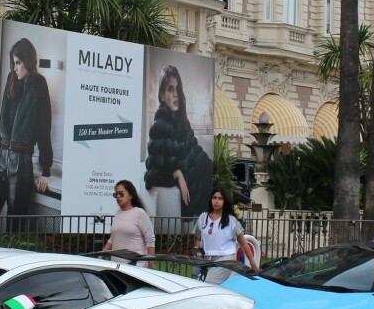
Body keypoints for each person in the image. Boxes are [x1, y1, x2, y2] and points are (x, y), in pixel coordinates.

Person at [0, 37, 53, 225]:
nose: (15, 67)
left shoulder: (39, 83)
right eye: (13, 63)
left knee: (14, 224)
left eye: (18, 62)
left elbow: (44, 127)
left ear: (28, 60)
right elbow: (3, 117)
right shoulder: (12, 80)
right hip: (2, 162)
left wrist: (46, 169)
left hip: (21, 164)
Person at [144, 65, 212, 220]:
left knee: (207, 166)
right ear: (162, 95)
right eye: (170, 89)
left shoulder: (183, 123)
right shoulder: (159, 126)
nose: (175, 95)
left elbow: (195, 149)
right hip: (183, 191)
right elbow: (152, 171)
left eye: (177, 89)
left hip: (194, 186)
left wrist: (209, 166)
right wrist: (177, 173)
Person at [193, 187, 258, 284]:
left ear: (224, 201)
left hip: (225, 260)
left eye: (220, 198)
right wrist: (197, 253)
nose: (216, 201)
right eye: (214, 198)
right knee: (200, 285)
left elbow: (244, 244)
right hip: (205, 259)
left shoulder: (231, 221)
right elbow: (198, 238)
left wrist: (254, 265)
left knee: (208, 285)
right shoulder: (203, 218)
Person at [102, 180, 156, 267]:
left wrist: (150, 263)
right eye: (116, 194)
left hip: (134, 265)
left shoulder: (140, 213)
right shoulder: (117, 213)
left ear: (131, 195)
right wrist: (101, 255)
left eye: (121, 193)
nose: (118, 196)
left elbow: (150, 239)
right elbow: (113, 238)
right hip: (116, 265)